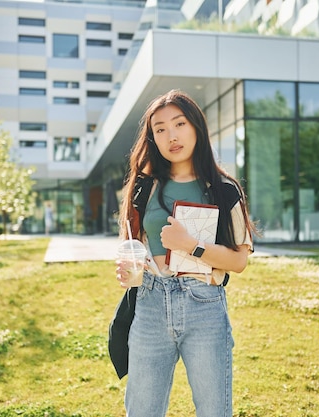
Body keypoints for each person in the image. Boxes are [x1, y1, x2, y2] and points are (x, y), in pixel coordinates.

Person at [115, 89, 255, 417]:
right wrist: (127, 270)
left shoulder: (224, 189)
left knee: (213, 410)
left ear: (196, 127)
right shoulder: (143, 187)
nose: (171, 135)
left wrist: (190, 245)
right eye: (160, 129)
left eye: (179, 124)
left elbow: (239, 261)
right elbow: (133, 244)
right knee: (142, 410)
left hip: (203, 305)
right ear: (152, 138)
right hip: (150, 303)